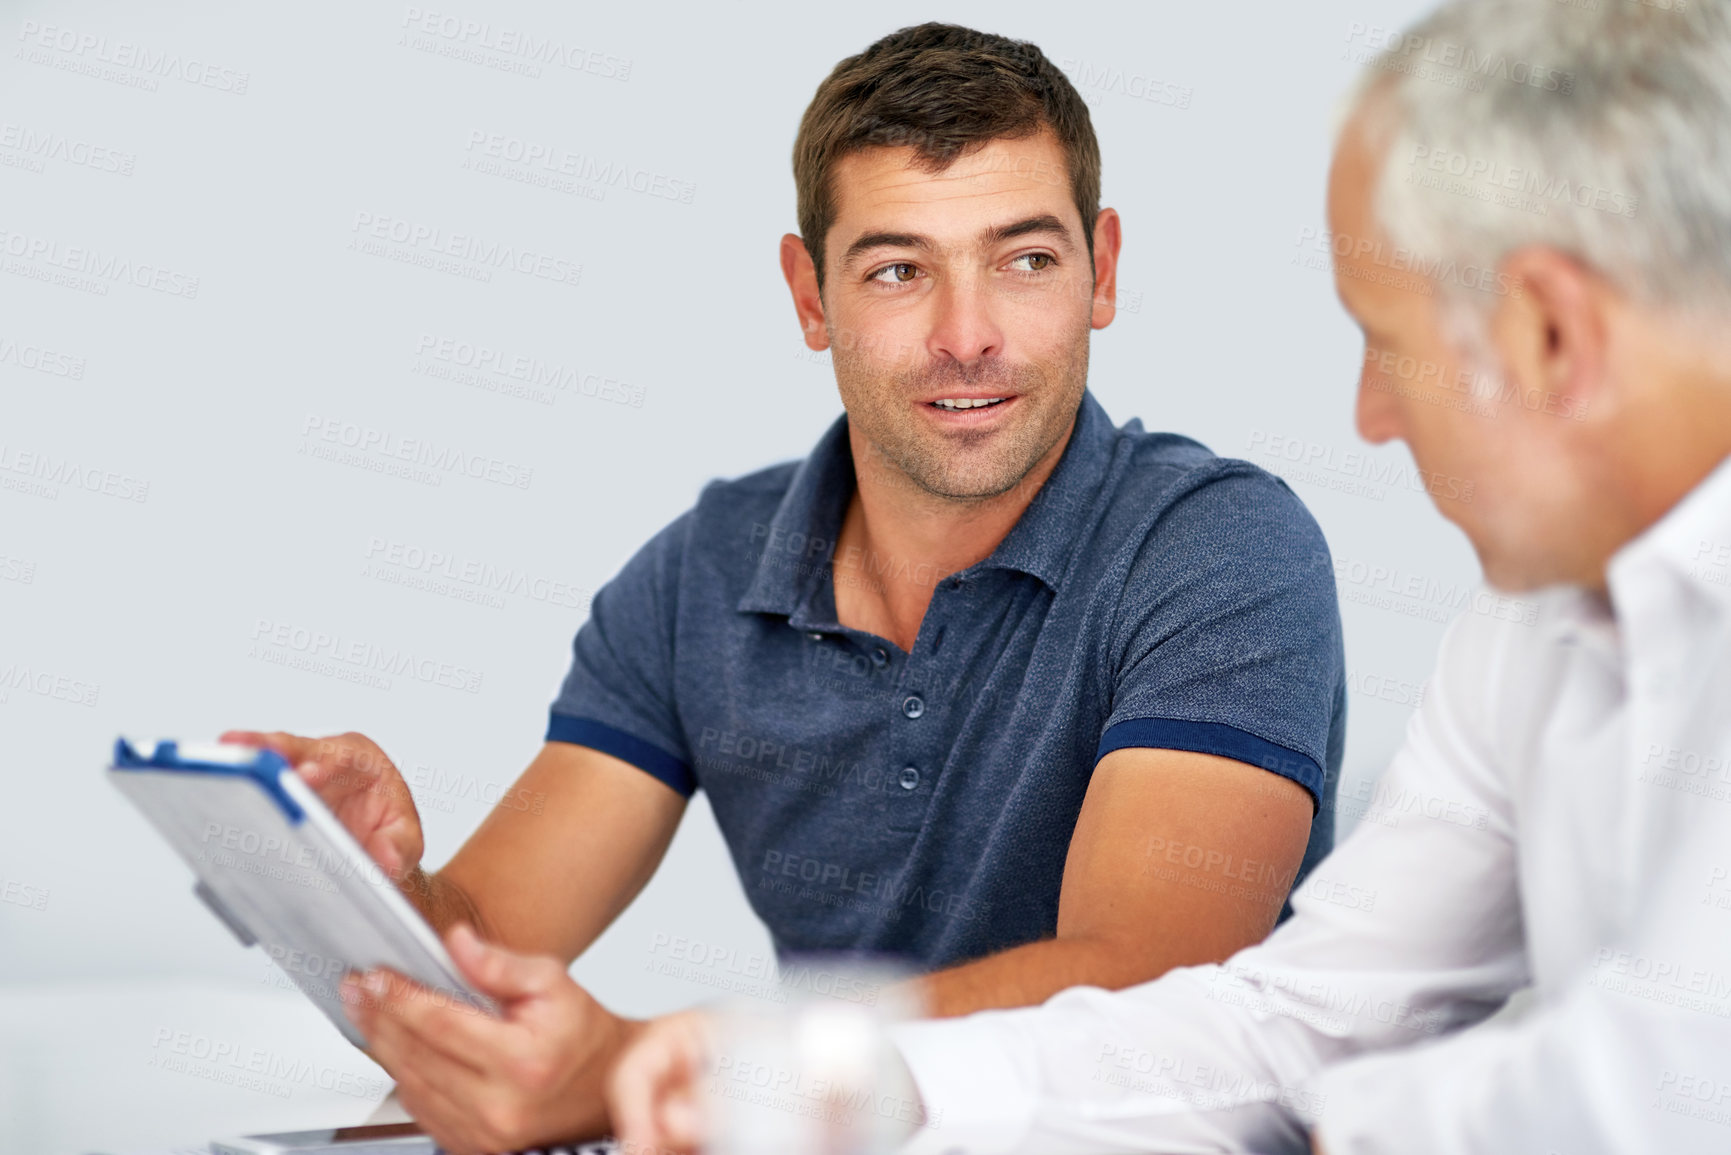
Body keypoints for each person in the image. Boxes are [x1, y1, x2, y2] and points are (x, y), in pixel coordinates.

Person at [610, 1, 1731, 1152]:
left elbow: (1664, 1088)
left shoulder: (1218, 543)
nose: (1372, 415)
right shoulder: (1534, 629)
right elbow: (1299, 1022)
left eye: (1390, 345)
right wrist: (831, 1076)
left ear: (1550, 333)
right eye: (900, 270)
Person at [230, 22, 1346, 1153]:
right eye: (899, 270)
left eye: (1025, 260)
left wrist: (681, 1072)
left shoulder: (1220, 549)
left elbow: (1142, 995)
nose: (968, 338)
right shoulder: (701, 576)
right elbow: (471, 986)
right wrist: (368, 890)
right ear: (810, 296)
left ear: (1102, 272)